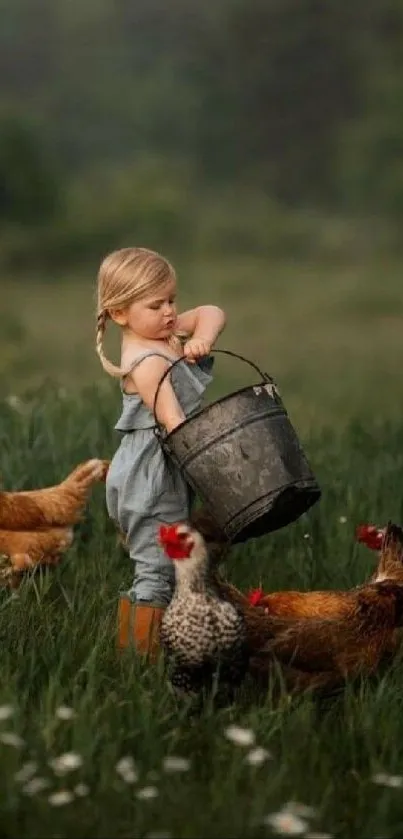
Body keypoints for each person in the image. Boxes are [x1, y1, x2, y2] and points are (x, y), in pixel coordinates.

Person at [95, 246, 226, 660]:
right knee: (158, 569)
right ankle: (139, 660)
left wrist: (202, 338)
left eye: (172, 300)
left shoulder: (162, 333)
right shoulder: (147, 360)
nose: (170, 312)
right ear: (119, 313)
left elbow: (212, 310)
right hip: (150, 476)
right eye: (156, 304)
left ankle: (141, 650)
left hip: (163, 469)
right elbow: (175, 423)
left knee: (164, 563)